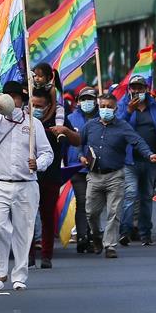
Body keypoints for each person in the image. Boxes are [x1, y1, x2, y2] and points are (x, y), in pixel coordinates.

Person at [0, 81, 54, 291]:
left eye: (16, 97)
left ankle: (20, 276)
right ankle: (0, 273)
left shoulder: (33, 123)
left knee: (24, 231)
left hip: (26, 184)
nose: (12, 100)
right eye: (9, 96)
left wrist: (38, 164)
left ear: (22, 100)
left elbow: (47, 153)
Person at [79, 93, 156, 259]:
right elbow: (79, 143)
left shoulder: (123, 126)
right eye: (103, 106)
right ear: (98, 107)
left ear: (116, 109)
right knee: (91, 213)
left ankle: (110, 245)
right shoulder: (90, 126)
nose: (106, 110)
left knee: (114, 212)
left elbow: (137, 142)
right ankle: (96, 236)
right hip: (94, 176)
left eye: (109, 107)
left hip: (115, 176)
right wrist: (81, 155)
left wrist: (149, 154)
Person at [116, 75, 156, 247]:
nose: (136, 91)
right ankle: (125, 231)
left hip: (152, 160)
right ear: (129, 89)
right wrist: (129, 111)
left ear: (146, 89)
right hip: (130, 160)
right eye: (133, 88)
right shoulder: (123, 105)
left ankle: (145, 233)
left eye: (140, 88)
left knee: (145, 197)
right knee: (130, 195)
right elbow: (117, 127)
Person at [26, 88, 79, 268]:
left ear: (48, 106)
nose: (35, 108)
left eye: (39, 106)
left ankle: (46, 256)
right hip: (27, 177)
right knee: (26, 218)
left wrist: (65, 131)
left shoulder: (59, 119)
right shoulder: (23, 121)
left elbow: (77, 140)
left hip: (51, 176)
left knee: (48, 217)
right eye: (32, 105)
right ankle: (28, 256)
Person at [65, 86, 100, 252]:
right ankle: (82, 236)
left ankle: (94, 235)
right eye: (84, 99)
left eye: (90, 99)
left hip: (98, 168)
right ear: (78, 101)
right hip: (77, 168)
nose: (87, 102)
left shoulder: (103, 118)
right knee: (82, 202)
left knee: (95, 204)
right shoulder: (70, 119)